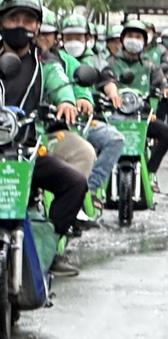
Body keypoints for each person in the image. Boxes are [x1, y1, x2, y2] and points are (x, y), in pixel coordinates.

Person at [0, 0, 87, 276]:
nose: (21, 25)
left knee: (75, 184)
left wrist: (67, 101)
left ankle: (44, 249)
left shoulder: (46, 64)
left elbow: (60, 85)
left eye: (29, 20)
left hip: (27, 154)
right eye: (13, 18)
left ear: (37, 26)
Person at [59, 13, 125, 216]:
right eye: (69, 37)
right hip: (56, 126)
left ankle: (92, 187)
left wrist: (112, 93)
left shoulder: (95, 60)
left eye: (79, 37)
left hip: (88, 123)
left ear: (88, 38)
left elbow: (107, 78)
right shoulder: (55, 61)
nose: (74, 41)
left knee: (115, 139)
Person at [34, 10, 97, 198]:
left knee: (85, 152)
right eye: (39, 32)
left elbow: (72, 86)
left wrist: (78, 100)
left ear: (56, 37)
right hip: (10, 135)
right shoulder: (0, 58)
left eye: (48, 33)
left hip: (52, 131)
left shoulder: (63, 62)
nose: (42, 38)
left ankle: (68, 205)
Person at [106, 20, 168, 180]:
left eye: (138, 37)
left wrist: (163, 90)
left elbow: (161, 84)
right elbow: (103, 80)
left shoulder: (150, 65)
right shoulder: (110, 62)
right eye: (130, 36)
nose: (134, 40)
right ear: (122, 40)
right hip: (113, 117)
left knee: (165, 133)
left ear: (144, 42)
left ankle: (149, 173)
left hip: (142, 118)